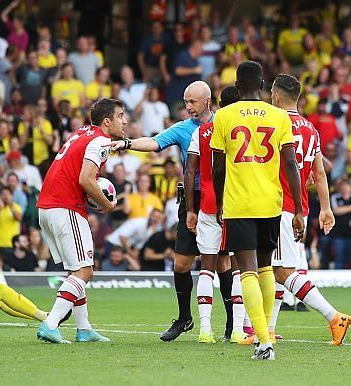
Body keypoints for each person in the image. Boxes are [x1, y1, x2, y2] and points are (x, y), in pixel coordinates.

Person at [210, 61, 305, 360]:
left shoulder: (224, 116)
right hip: (271, 203)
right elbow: (291, 164)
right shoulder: (279, 117)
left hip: (239, 203)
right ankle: (265, 336)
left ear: (237, 87)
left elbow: (218, 167)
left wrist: (220, 202)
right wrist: (299, 209)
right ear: (263, 84)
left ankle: (263, 341)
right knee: (266, 269)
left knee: (247, 270)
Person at [107, 80, 216, 342]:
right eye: (186, 102)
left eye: (193, 102)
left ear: (207, 101)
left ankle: (232, 326)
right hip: (191, 198)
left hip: (220, 198)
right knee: (181, 263)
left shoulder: (223, 123)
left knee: (224, 262)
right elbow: (154, 143)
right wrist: (127, 143)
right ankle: (184, 318)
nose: (188, 107)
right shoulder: (182, 129)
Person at [266, 74, 351, 346]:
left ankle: (334, 316)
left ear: (276, 98)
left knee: (282, 271)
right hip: (298, 206)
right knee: (277, 268)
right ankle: (268, 328)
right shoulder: (311, 129)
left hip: (279, 204)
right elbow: (320, 173)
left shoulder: (274, 123)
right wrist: (326, 208)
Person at [36, 98, 126, 344]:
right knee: (84, 271)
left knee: (76, 270)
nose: (125, 121)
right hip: (65, 207)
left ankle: (83, 329)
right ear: (107, 122)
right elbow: (86, 179)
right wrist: (107, 205)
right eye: (120, 116)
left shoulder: (81, 133)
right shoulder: (101, 140)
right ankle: (50, 323)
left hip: (48, 206)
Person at [185, 86, 241, 344]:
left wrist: (190, 209)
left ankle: (205, 329)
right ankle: (240, 328)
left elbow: (190, 171)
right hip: (238, 204)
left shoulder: (202, 131)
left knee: (207, 268)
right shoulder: (241, 131)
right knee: (240, 268)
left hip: (207, 204)